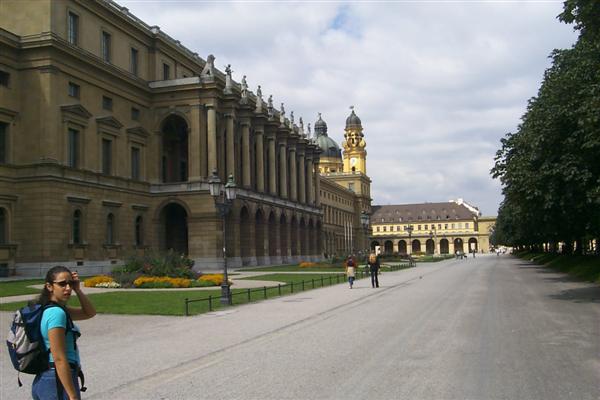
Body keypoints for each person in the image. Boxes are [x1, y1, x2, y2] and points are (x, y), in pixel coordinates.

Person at [32, 266, 96, 400]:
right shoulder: (57, 313)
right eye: (62, 284)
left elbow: (89, 313)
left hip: (47, 378)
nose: (68, 288)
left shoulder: (53, 309)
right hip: (56, 380)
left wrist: (78, 289)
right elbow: (59, 358)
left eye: (70, 283)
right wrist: (72, 395)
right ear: (49, 286)